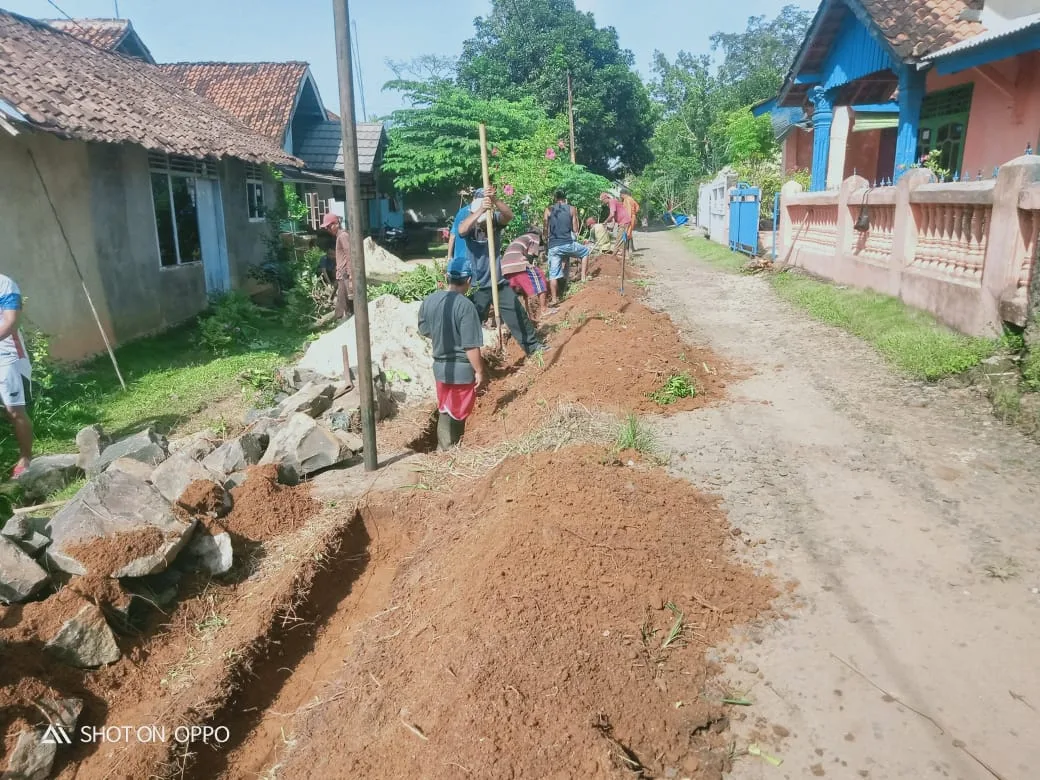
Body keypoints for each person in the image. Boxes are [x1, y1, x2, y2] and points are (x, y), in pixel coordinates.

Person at [451, 186, 545, 355]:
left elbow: (508, 215)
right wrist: (481, 210)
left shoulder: (493, 220)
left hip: (497, 280)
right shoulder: (470, 221)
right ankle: (462, 356)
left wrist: (494, 200)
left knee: (516, 313)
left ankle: (533, 347)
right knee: (471, 319)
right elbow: (461, 230)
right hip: (477, 283)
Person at [417, 260, 486, 450]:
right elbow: (470, 346)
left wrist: (443, 335)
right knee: (455, 413)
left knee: (445, 407)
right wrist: (479, 371)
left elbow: (424, 329)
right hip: (461, 371)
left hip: (440, 369)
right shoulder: (465, 306)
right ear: (469, 280)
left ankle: (447, 448)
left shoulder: (429, 301)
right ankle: (447, 450)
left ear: (447, 276)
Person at [0, 274, 33, 478]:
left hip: (6, 356)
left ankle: (26, 457)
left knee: (14, 411)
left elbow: (11, 322)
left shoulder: (5, 284)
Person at [543, 189, 591, 304]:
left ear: (555, 198)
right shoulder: (572, 209)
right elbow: (575, 229)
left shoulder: (548, 210)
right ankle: (583, 278)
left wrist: (547, 241)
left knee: (553, 275)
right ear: (565, 198)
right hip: (567, 244)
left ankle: (554, 299)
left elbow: (545, 230)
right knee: (585, 252)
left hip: (554, 246)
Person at [501, 228, 551, 322]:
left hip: (504, 268)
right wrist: (531, 266)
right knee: (540, 277)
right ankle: (544, 310)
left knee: (521, 293)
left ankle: (528, 317)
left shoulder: (520, 238)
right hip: (518, 263)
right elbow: (530, 255)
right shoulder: (535, 237)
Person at [321, 213, 353, 320]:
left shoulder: (343, 236)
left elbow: (350, 256)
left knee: (344, 307)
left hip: (346, 275)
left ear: (336, 224)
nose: (327, 229)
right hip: (342, 275)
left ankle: (346, 324)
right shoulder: (339, 236)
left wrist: (351, 276)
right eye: (326, 227)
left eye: (329, 226)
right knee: (343, 305)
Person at [621, 188, 641, 252]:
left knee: (627, 233)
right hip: (632, 217)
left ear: (623, 194)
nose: (621, 197)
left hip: (629, 218)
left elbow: (629, 209)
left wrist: (628, 219)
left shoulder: (627, 199)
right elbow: (637, 207)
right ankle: (631, 248)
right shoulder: (631, 199)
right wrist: (634, 213)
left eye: (621, 195)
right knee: (629, 232)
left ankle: (627, 249)